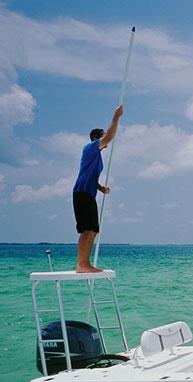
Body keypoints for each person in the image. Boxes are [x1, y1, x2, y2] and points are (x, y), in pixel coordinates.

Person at [72, 105, 123, 273]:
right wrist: (116, 117)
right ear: (96, 138)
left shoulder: (95, 156)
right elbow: (110, 136)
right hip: (82, 193)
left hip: (87, 192)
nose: (105, 142)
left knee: (92, 229)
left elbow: (90, 178)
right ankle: (82, 265)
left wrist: (101, 188)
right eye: (102, 138)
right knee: (88, 229)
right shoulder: (91, 147)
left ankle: (84, 264)